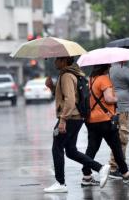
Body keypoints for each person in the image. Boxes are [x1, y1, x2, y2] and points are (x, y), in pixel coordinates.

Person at [43, 57, 111, 193]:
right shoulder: (73, 73)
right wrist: (52, 88)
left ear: (64, 61)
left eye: (57, 59)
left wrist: (62, 120)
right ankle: (100, 168)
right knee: (71, 151)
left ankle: (60, 183)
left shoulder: (66, 75)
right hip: (76, 117)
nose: (55, 62)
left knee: (57, 148)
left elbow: (70, 99)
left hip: (69, 117)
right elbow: (66, 97)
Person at [81, 64, 129, 184]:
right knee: (116, 147)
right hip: (105, 120)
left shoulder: (92, 79)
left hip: (92, 120)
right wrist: (117, 98)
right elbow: (109, 99)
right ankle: (125, 174)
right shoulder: (104, 79)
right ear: (105, 68)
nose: (110, 69)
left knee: (92, 149)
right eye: (108, 67)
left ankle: (86, 176)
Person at [108, 63, 129, 179]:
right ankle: (116, 167)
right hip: (123, 109)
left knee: (117, 137)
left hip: (113, 108)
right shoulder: (123, 70)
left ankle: (117, 166)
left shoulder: (110, 69)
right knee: (123, 137)